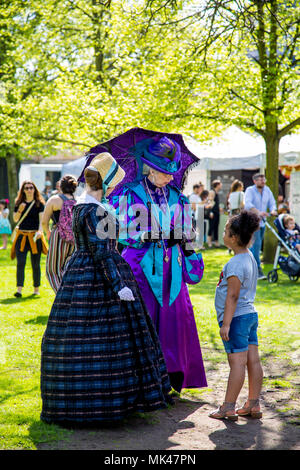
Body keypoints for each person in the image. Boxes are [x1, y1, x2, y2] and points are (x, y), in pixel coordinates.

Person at [41, 152, 172, 425]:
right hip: (101, 273)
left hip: (78, 272)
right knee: (109, 343)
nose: (115, 188)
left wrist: (121, 228)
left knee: (76, 339)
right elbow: (101, 253)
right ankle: (106, 404)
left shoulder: (80, 207)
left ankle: (74, 401)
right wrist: (118, 285)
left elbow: (100, 239)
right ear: (106, 182)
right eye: (113, 183)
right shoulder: (96, 210)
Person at [112, 136, 207, 394]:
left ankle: (171, 378)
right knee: (144, 321)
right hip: (140, 269)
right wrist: (143, 236)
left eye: (171, 172)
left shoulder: (179, 197)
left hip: (172, 269)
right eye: (164, 173)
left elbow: (188, 230)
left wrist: (185, 235)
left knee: (176, 321)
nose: (169, 177)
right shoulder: (129, 193)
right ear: (149, 168)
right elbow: (116, 228)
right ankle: (143, 381)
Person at [209, 210, 263, 421]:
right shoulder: (249, 258)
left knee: (237, 364)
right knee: (253, 362)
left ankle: (228, 407)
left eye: (225, 231)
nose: (223, 233)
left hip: (237, 320)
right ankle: (254, 403)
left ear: (233, 238)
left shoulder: (234, 264)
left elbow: (232, 296)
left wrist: (226, 324)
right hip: (250, 316)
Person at [11, 181, 48, 297]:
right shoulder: (19, 203)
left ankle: (36, 289)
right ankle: (19, 290)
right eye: (26, 188)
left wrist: (40, 232)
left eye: (31, 187)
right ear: (23, 190)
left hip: (34, 237)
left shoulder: (39, 203)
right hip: (21, 236)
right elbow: (15, 219)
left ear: (34, 189)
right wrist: (20, 210)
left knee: (35, 264)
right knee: (20, 263)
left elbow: (42, 221)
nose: (29, 190)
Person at [42, 175, 78, 293]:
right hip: (75, 237)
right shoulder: (79, 200)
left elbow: (44, 221)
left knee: (52, 270)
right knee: (69, 269)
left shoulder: (54, 200)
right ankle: (72, 293)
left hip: (58, 235)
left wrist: (48, 233)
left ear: (61, 186)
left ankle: (63, 296)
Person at [244, 173, 277, 280]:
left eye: (264, 180)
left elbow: (272, 202)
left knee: (255, 246)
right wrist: (258, 212)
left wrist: (273, 210)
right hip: (252, 222)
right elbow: (248, 204)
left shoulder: (267, 190)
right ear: (255, 181)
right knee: (257, 246)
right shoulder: (250, 190)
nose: (263, 181)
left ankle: (249, 268)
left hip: (262, 222)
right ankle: (257, 270)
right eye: (260, 180)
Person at [207, 180, 222, 248]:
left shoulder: (217, 192)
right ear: (217, 185)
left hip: (217, 212)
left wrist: (219, 208)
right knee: (211, 227)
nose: (221, 185)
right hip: (212, 213)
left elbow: (215, 203)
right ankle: (209, 242)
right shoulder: (212, 192)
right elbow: (209, 202)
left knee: (216, 227)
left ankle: (216, 242)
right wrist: (210, 212)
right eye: (220, 184)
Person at [189, 184, 202, 248]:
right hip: (193, 214)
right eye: (198, 189)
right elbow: (194, 206)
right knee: (193, 229)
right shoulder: (193, 196)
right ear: (195, 189)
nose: (199, 190)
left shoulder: (197, 196)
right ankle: (192, 244)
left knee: (195, 229)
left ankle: (194, 244)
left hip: (196, 214)